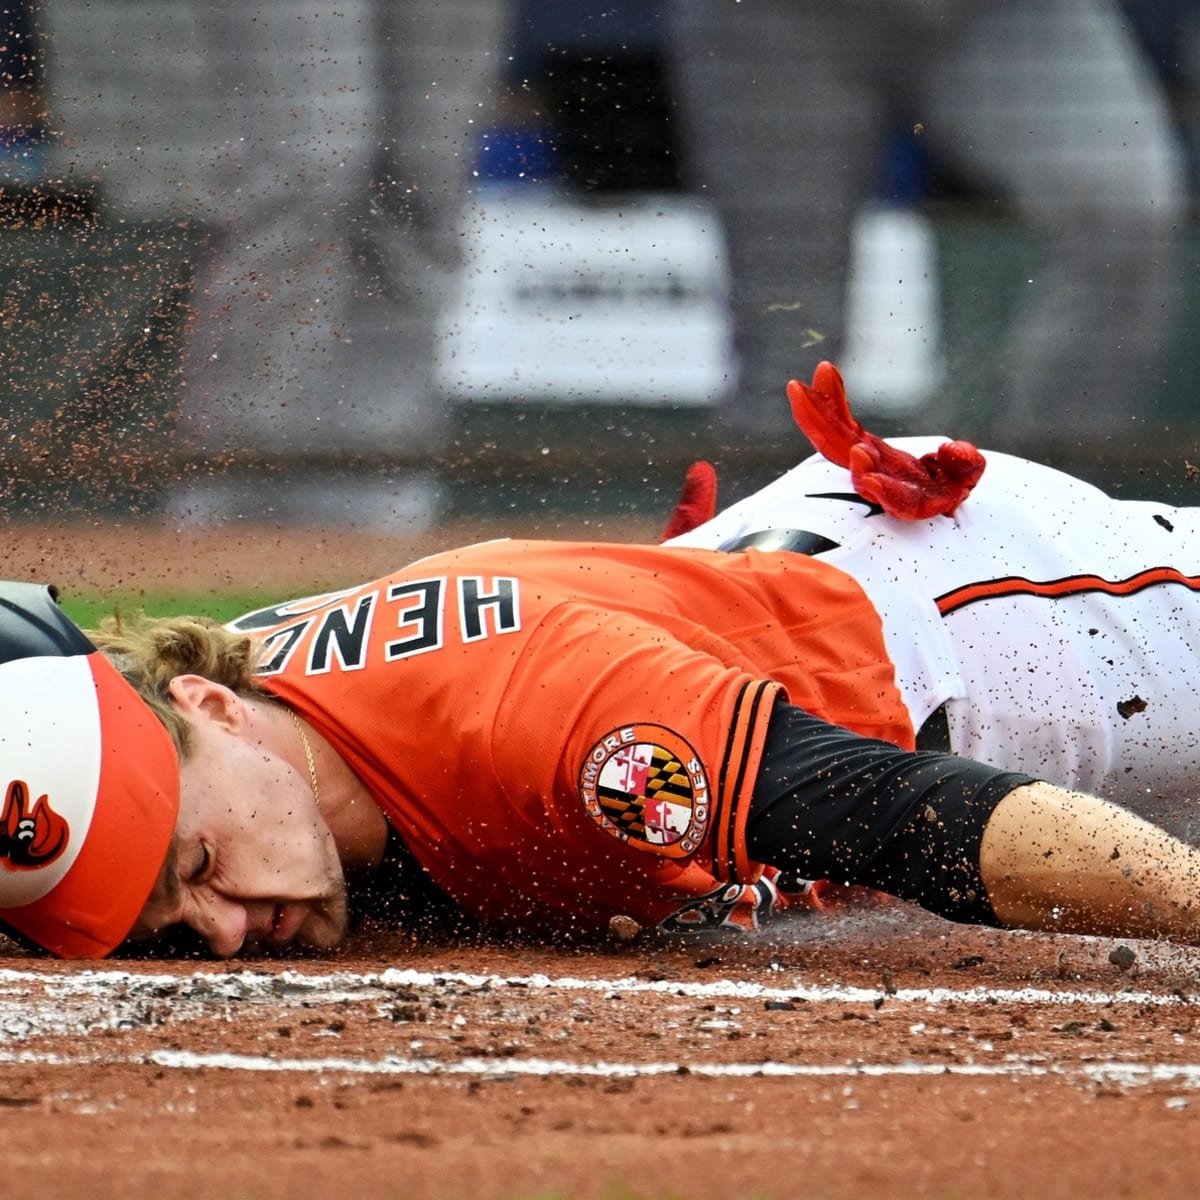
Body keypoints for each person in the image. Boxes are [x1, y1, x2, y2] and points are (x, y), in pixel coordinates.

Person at [7, 362, 1200, 959]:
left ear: (210, 703)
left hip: (1003, 625)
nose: (215, 930)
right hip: (732, 620)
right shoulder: (225, 737)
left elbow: (901, 815)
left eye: (198, 863)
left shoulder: (534, 717)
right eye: (165, 918)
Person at [666, 0, 1187, 441]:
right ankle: (768, 542)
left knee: (1125, 212)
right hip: (777, 19)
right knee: (789, 329)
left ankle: (1048, 501)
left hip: (1002, 15)